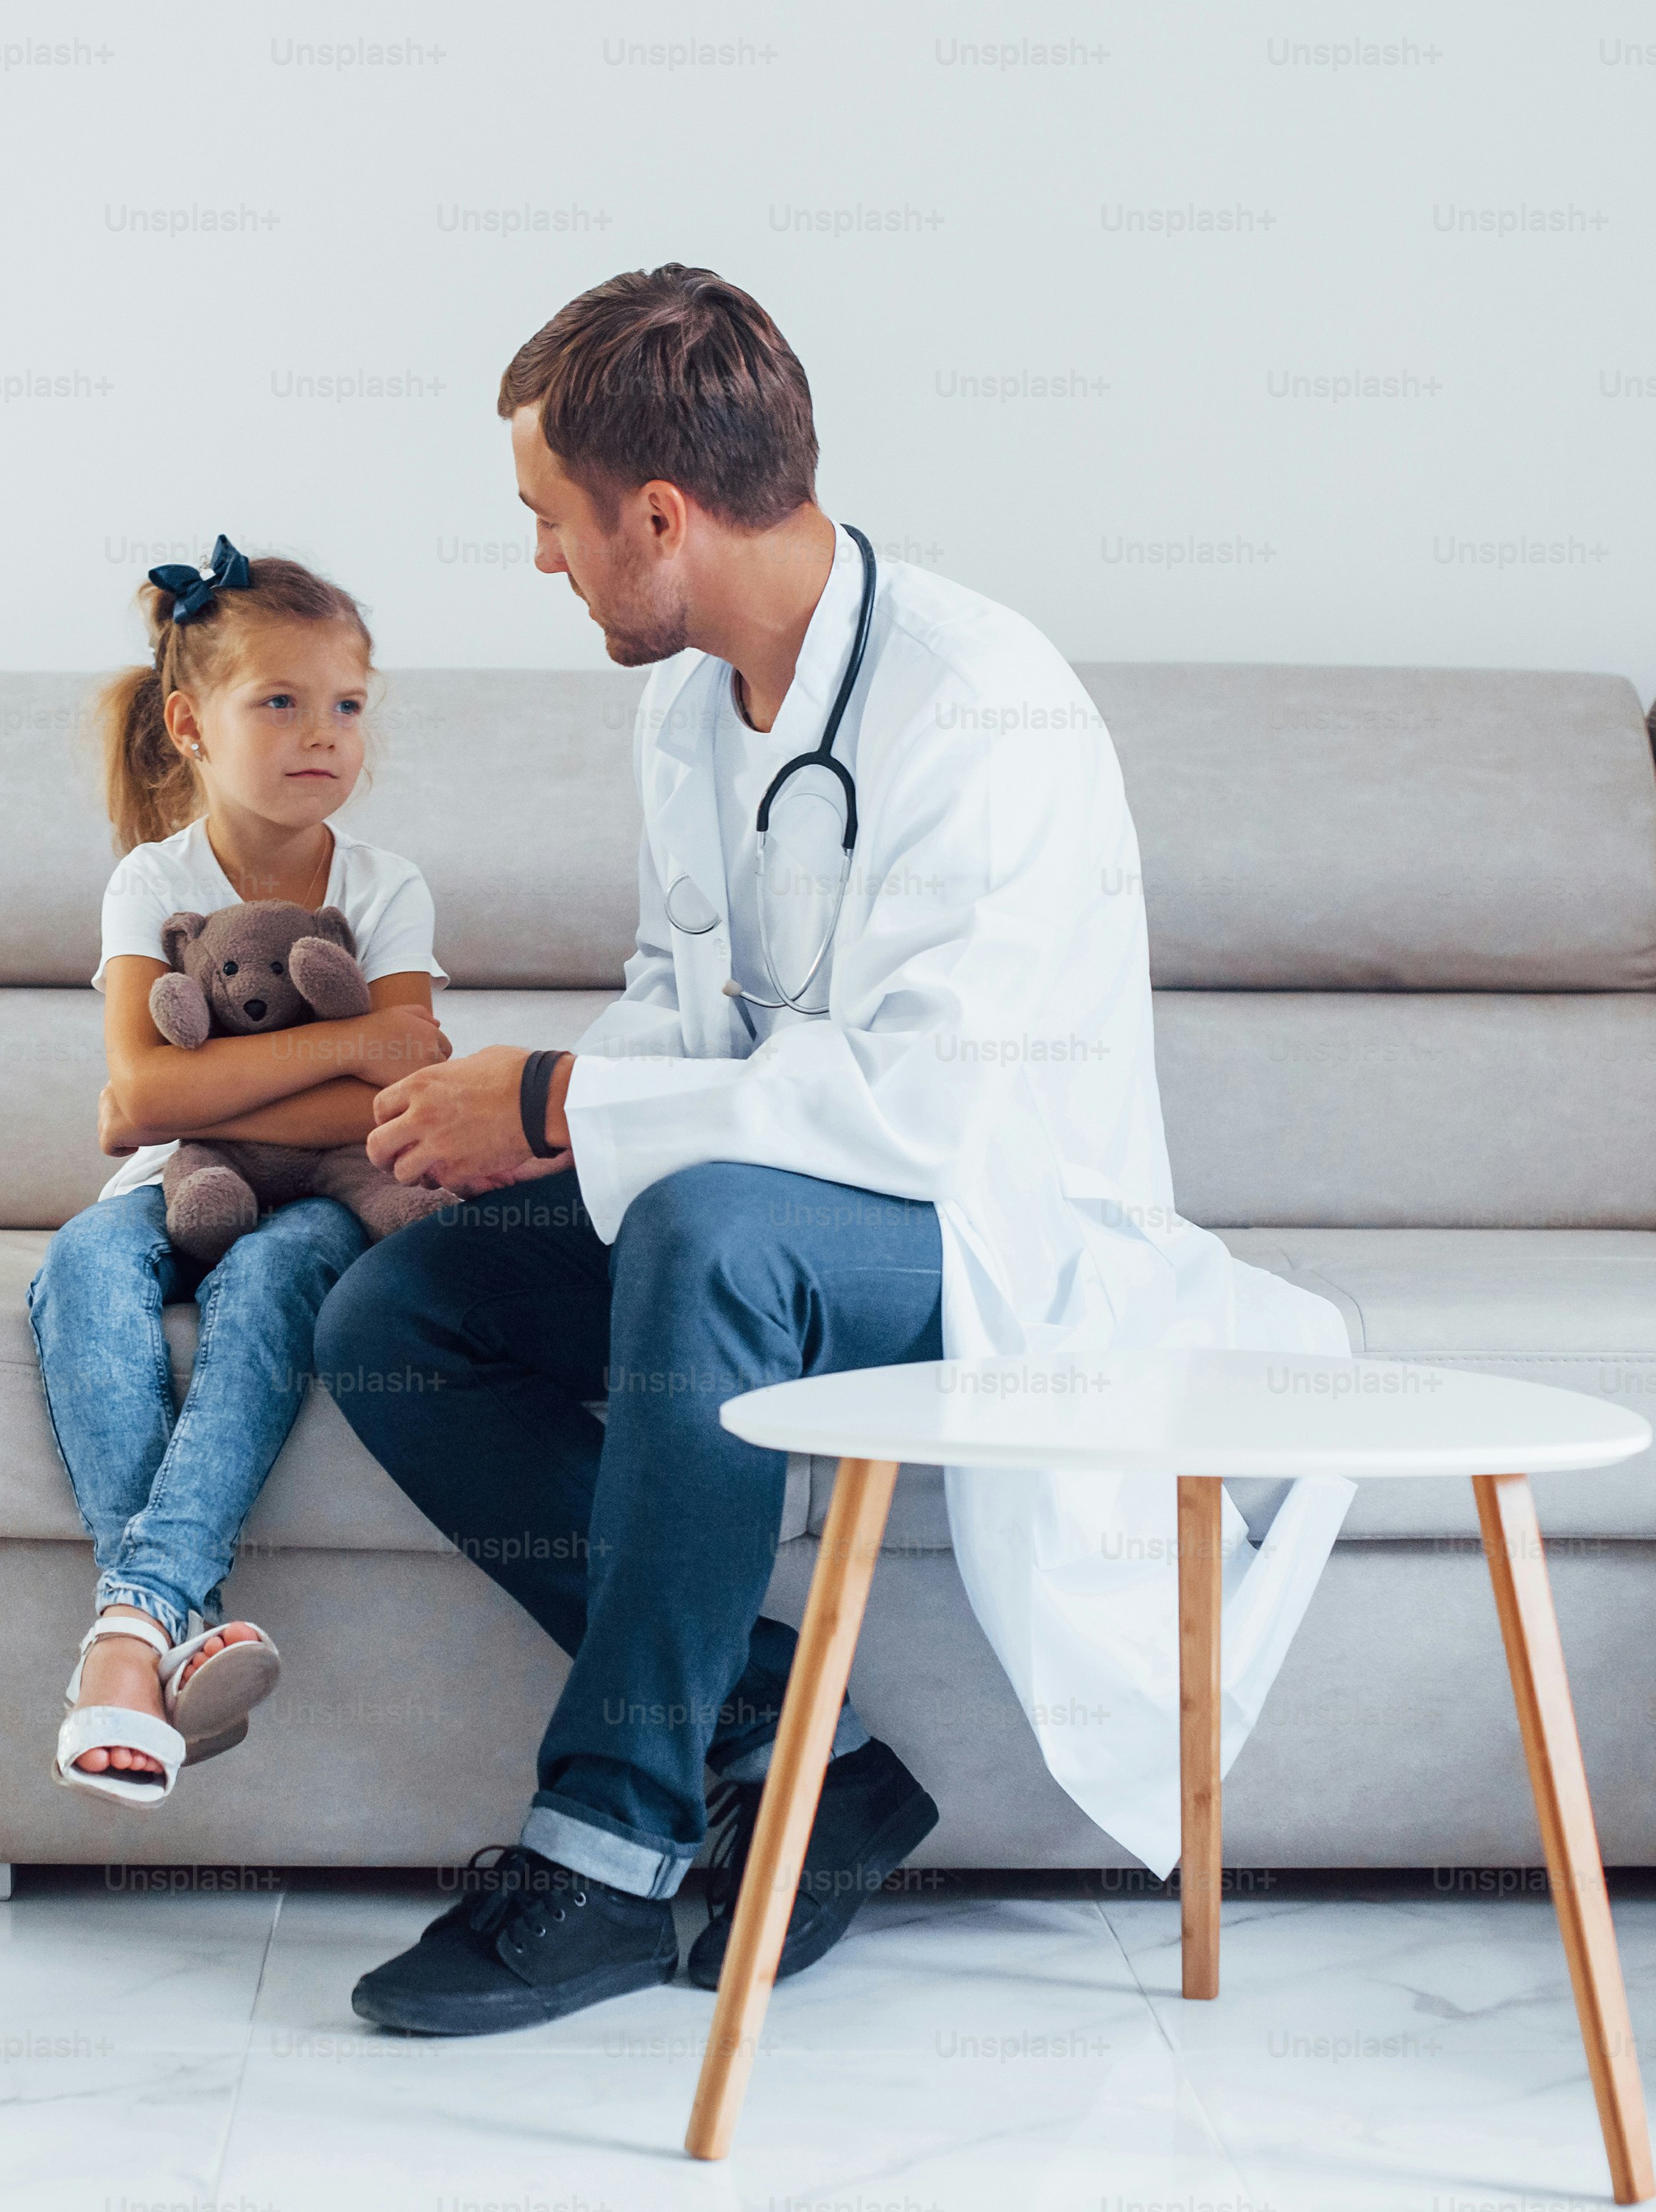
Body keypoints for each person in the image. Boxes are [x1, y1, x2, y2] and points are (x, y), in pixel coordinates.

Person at [318, 268, 1353, 2034]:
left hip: (987, 1242)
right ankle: (801, 1750)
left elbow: (939, 1106)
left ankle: (611, 1853)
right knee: (398, 1314)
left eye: (550, 524)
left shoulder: (980, 703)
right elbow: (690, 1003)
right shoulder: (688, 705)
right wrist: (509, 1132)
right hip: (764, 1214)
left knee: (714, 1231)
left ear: (658, 514)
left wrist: (567, 1101)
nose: (546, 564)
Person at [28, 539, 452, 1807]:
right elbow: (139, 1102)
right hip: (175, 1176)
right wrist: (353, 1042)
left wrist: (349, 1071)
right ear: (189, 724)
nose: (322, 733)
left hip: (331, 1189)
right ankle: (177, 1614)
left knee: (275, 1276)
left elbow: (402, 1090)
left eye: (347, 705)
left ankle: (127, 1638)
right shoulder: (150, 884)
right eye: (279, 701)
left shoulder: (388, 887)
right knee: (83, 1257)